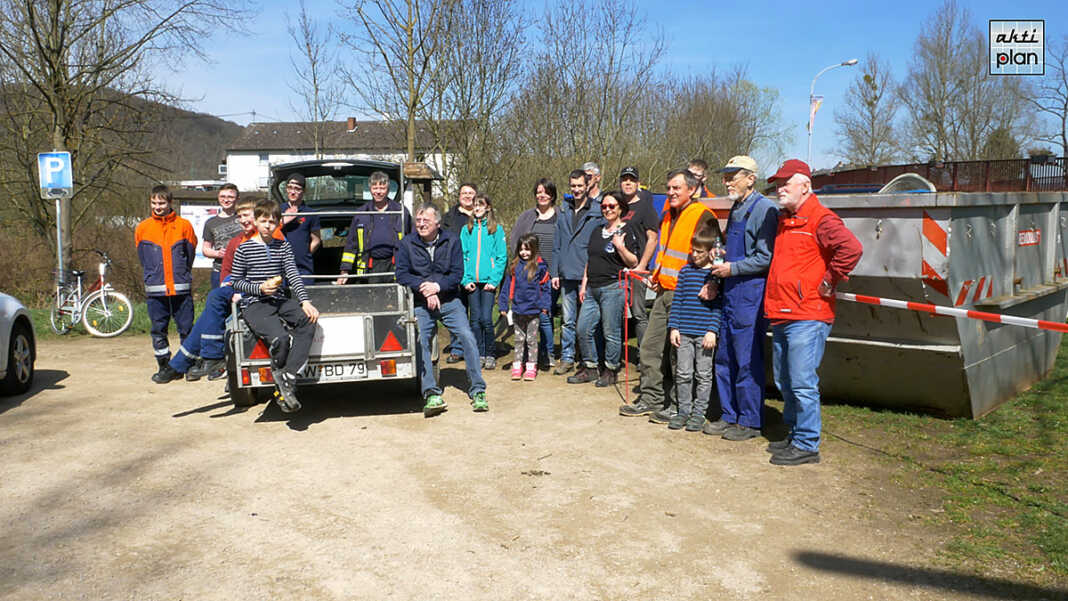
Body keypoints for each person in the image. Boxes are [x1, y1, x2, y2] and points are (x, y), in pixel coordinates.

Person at [764, 159, 862, 465]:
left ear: (805, 186)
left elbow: (852, 248)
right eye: (777, 184)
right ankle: (795, 434)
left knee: (801, 381)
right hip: (783, 313)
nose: (779, 190)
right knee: (784, 380)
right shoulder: (786, 220)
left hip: (808, 315)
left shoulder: (821, 219)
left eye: (785, 184)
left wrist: (829, 280)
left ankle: (807, 443)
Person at [619, 169, 719, 421]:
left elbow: (717, 252)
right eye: (669, 187)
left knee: (679, 354)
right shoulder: (667, 214)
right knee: (650, 347)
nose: (671, 192)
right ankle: (652, 398)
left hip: (687, 295)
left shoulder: (703, 216)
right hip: (664, 291)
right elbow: (665, 251)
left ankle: (677, 405)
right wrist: (656, 276)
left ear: (692, 190)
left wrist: (713, 282)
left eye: (677, 188)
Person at [704, 156, 780, 441]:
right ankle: (729, 415)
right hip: (731, 290)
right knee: (724, 357)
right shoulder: (737, 207)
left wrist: (732, 268)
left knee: (747, 358)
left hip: (750, 293)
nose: (726, 181)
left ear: (751, 178)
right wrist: (718, 252)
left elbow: (765, 257)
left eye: (732, 176)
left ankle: (749, 421)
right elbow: (731, 245)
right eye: (725, 176)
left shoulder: (765, 210)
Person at [152, 197, 264, 383]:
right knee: (210, 311)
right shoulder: (236, 242)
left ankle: (189, 362)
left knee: (212, 302)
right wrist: (229, 284)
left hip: (257, 291)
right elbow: (227, 271)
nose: (243, 220)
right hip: (236, 290)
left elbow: (271, 272)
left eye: (247, 216)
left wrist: (240, 290)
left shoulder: (267, 238)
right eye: (240, 216)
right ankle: (192, 362)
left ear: (258, 217)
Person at [395, 203, 488, 416]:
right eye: (418, 221)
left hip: (449, 300)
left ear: (437, 223)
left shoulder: (452, 241)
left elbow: (457, 274)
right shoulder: (406, 243)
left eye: (425, 221)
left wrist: (436, 287)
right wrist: (424, 288)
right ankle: (431, 393)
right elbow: (401, 274)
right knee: (421, 341)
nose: (421, 224)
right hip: (421, 302)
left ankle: (478, 390)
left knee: (467, 336)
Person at [230, 199, 321, 414]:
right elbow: (235, 281)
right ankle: (283, 381)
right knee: (280, 339)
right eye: (263, 221)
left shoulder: (283, 246)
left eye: (272, 222)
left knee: (308, 321)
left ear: (278, 223)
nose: (268, 226)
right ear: (255, 222)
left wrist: (305, 301)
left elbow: (293, 275)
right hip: (255, 303)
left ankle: (288, 375)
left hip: (280, 300)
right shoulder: (244, 249)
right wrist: (259, 288)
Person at [569, 191, 640, 387]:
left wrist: (620, 247)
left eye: (611, 206)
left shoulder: (628, 230)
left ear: (620, 209)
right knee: (582, 328)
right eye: (604, 206)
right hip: (592, 288)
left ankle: (611, 369)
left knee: (611, 331)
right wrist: (584, 284)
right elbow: (590, 260)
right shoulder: (596, 230)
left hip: (613, 287)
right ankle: (591, 367)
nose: (607, 209)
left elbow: (634, 262)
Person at [135, 184, 197, 379]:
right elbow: (143, 258)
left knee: (186, 329)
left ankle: (188, 365)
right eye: (154, 202)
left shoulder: (184, 225)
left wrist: (181, 275)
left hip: (180, 287)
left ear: (170, 203)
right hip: (155, 290)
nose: (157, 206)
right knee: (158, 330)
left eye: (161, 202)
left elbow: (190, 254)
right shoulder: (143, 227)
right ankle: (164, 366)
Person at [666, 226, 724, 431]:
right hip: (684, 332)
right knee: (683, 373)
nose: (695, 255)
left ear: (710, 251)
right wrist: (674, 327)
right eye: (693, 250)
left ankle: (699, 413)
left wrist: (712, 330)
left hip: (704, 335)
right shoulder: (685, 272)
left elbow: (718, 306)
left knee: (703, 374)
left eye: (699, 251)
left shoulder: (716, 276)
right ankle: (683, 411)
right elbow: (678, 301)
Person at [551, 169, 603, 375]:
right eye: (573, 186)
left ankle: (589, 359)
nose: (577, 190)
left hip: (588, 274)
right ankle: (567, 357)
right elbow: (557, 245)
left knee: (589, 322)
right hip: (566, 274)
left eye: (580, 186)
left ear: (587, 185)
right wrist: (555, 272)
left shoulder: (597, 211)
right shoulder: (563, 211)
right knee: (568, 320)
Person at [509, 178, 559, 369]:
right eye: (539, 192)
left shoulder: (560, 216)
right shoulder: (527, 217)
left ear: (552, 195)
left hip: (551, 273)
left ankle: (548, 353)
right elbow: (516, 241)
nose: (542, 195)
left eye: (546, 192)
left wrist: (557, 272)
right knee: (532, 316)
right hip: (529, 272)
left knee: (546, 315)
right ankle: (527, 356)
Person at [336, 170, 411, 284]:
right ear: (370, 189)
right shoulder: (361, 213)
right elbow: (351, 244)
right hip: (370, 267)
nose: (378, 192)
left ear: (388, 190)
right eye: (375, 188)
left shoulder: (400, 211)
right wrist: (345, 270)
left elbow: (412, 240)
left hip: (396, 265)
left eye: (382, 188)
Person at [461, 193, 507, 369]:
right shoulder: (467, 230)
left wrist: (494, 280)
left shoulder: (496, 229)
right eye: (475, 205)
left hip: (488, 281)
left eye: (481, 205)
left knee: (487, 319)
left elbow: (501, 257)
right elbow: (463, 256)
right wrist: (465, 279)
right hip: (472, 281)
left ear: (488, 207)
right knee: (475, 320)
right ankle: (478, 353)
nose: (477, 208)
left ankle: (490, 353)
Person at [498, 234, 551, 381]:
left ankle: (531, 366)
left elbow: (546, 288)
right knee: (518, 339)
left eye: (527, 250)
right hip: (517, 310)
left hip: (533, 311)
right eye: (521, 250)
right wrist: (503, 305)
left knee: (531, 339)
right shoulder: (514, 267)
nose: (524, 253)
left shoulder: (540, 266)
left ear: (534, 250)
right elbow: (506, 287)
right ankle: (517, 366)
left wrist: (545, 306)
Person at [618, 166, 660, 345]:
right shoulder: (616, 206)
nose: (628, 183)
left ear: (638, 184)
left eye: (632, 180)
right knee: (615, 312)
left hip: (637, 268)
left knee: (638, 312)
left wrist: (642, 265)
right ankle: (613, 357)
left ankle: (644, 357)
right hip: (616, 268)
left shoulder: (645, 207)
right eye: (624, 179)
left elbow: (652, 239)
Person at [442, 182, 478, 364]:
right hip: (455, 269)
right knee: (457, 309)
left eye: (471, 193)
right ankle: (457, 348)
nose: (467, 196)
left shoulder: (482, 215)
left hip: (477, 271)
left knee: (477, 313)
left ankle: (475, 347)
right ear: (458, 196)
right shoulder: (449, 217)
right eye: (464, 193)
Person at [279, 173, 321, 286]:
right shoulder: (277, 210)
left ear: (304, 191)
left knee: (305, 300)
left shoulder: (311, 213)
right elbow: (267, 232)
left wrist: (305, 253)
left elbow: (316, 240)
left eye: (297, 189)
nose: (292, 192)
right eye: (290, 188)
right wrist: (283, 221)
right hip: (279, 268)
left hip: (303, 268)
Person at [201, 184, 244, 289]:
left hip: (243, 271)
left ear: (237, 199)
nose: (226, 200)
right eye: (222, 197)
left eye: (230, 197)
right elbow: (205, 249)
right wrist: (217, 253)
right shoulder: (210, 223)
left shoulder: (244, 218)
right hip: (219, 271)